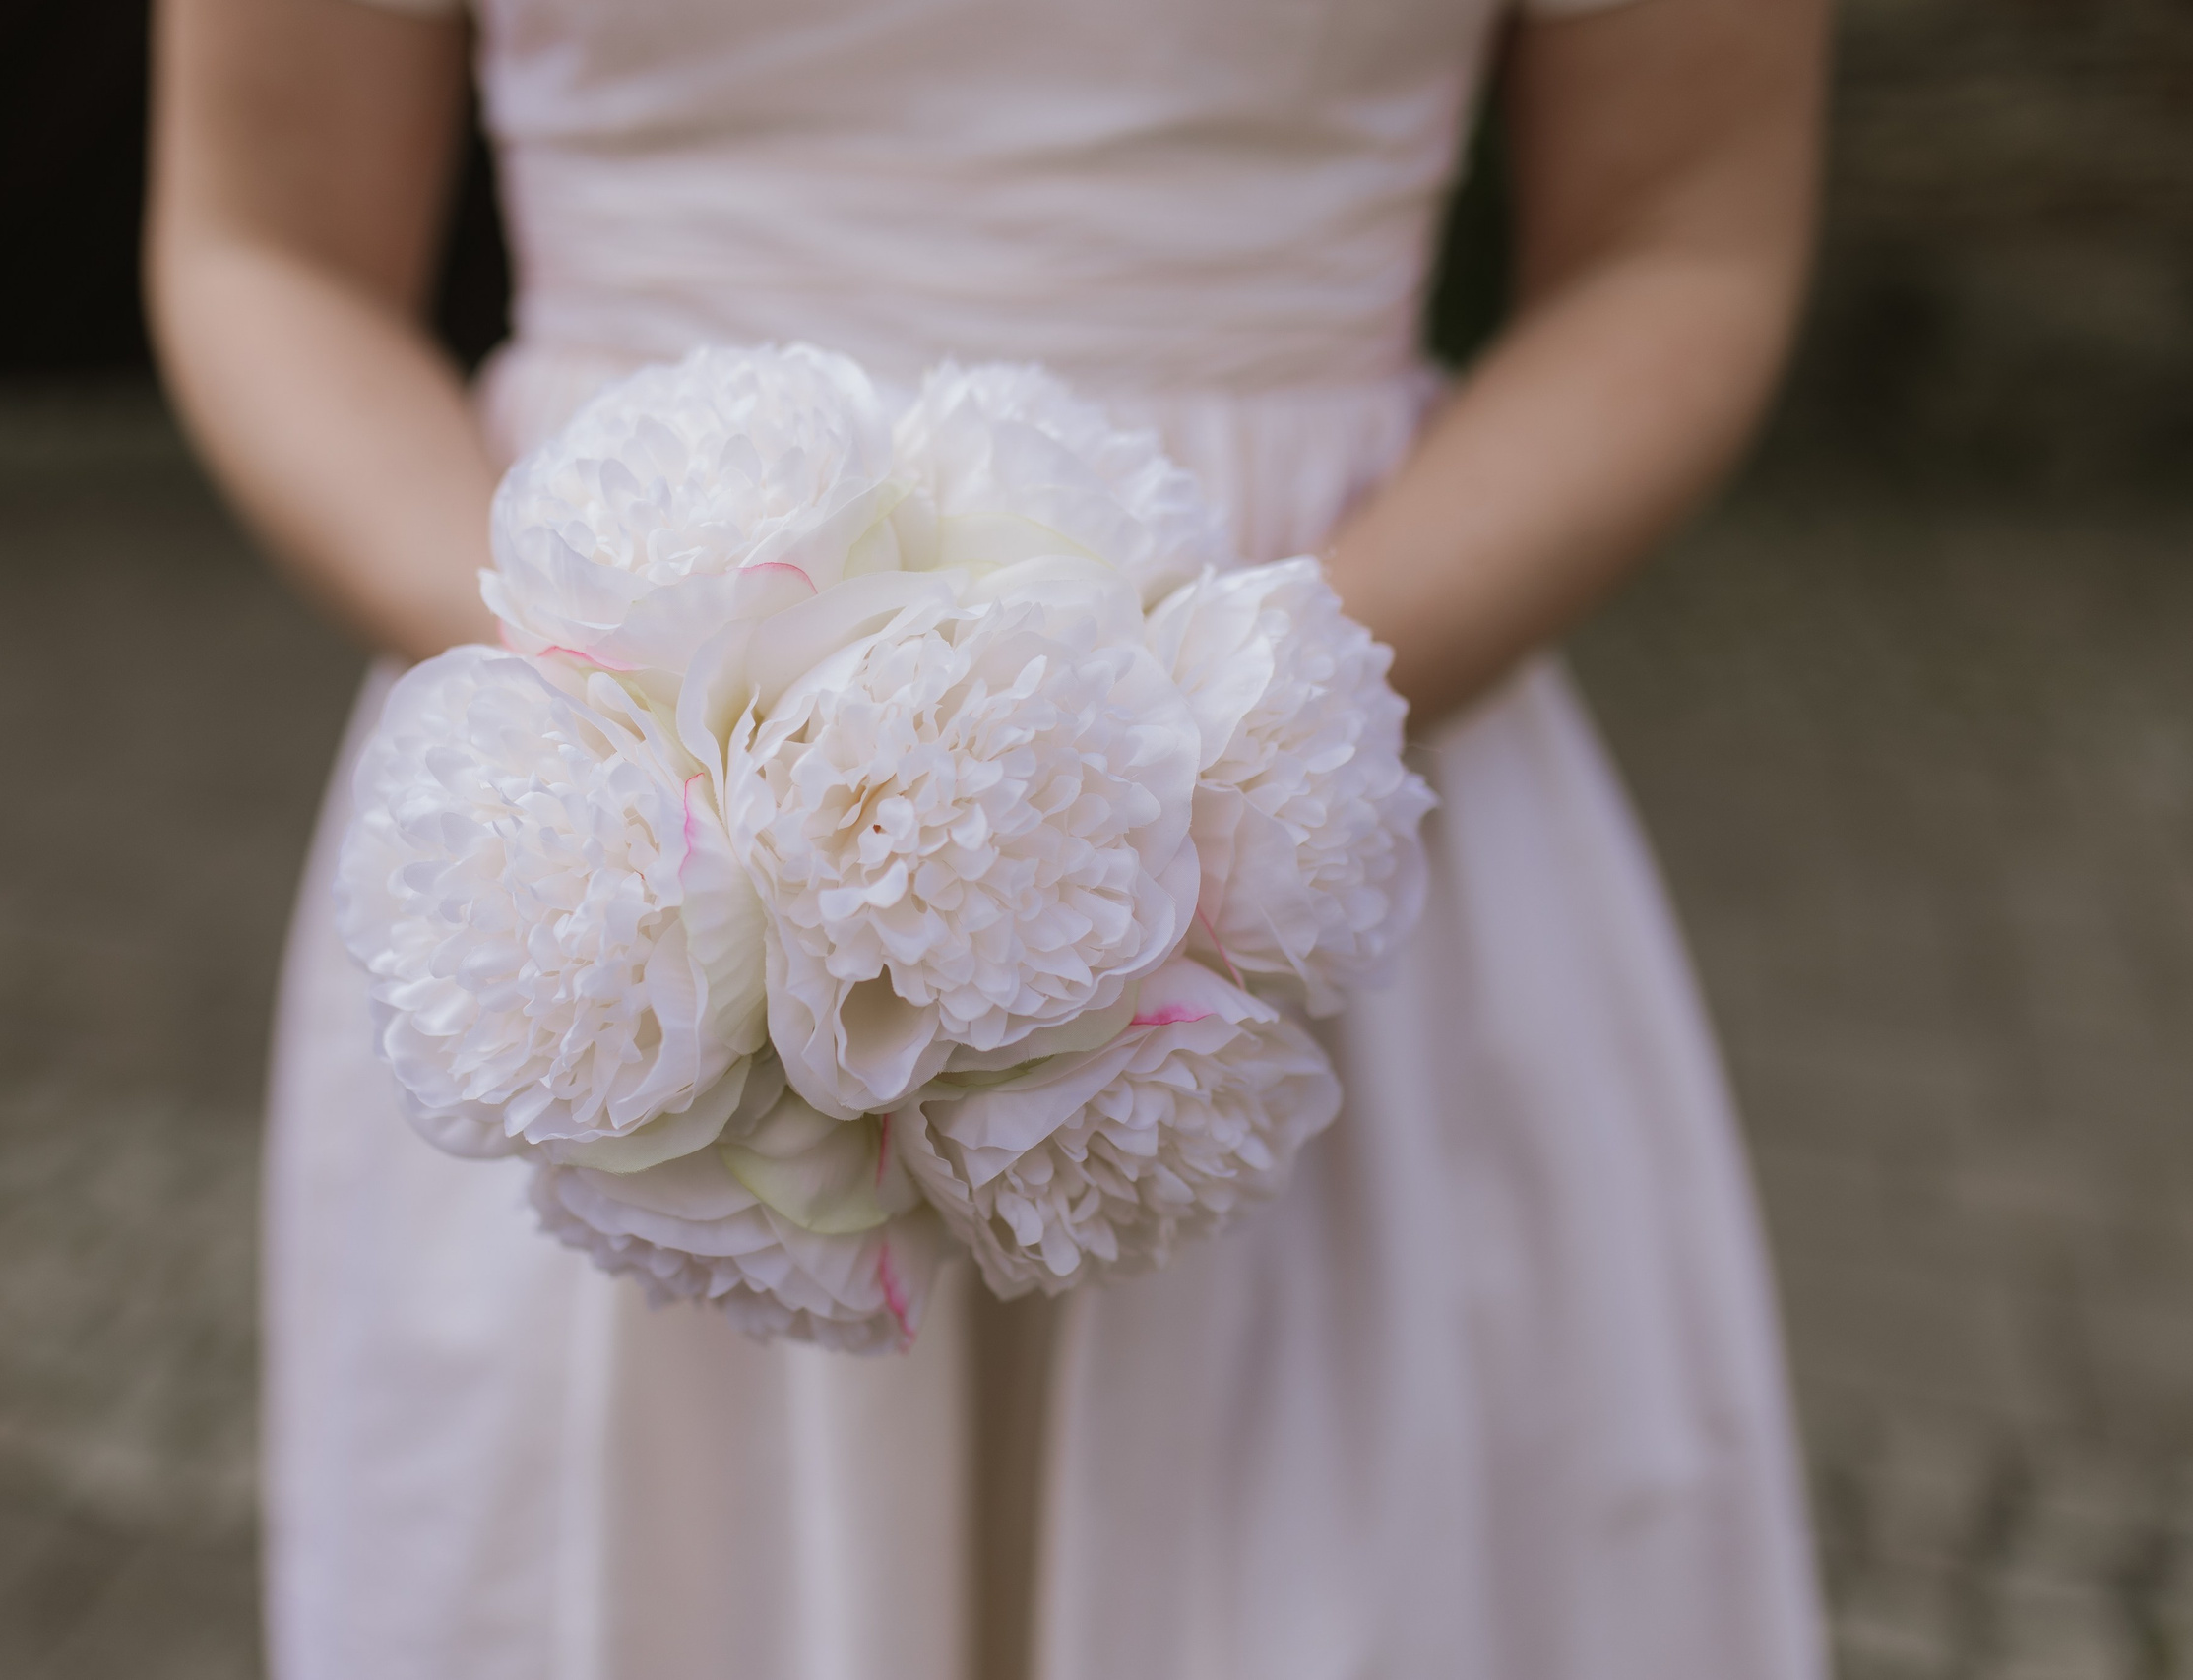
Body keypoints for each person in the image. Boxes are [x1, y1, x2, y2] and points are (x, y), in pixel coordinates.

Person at [145, 0, 1831, 1674]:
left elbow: (1676, 251)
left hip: (1321, 787)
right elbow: (267, 247)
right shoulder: (616, 764)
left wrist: (1203, 752)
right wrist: (641, 736)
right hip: (611, 855)